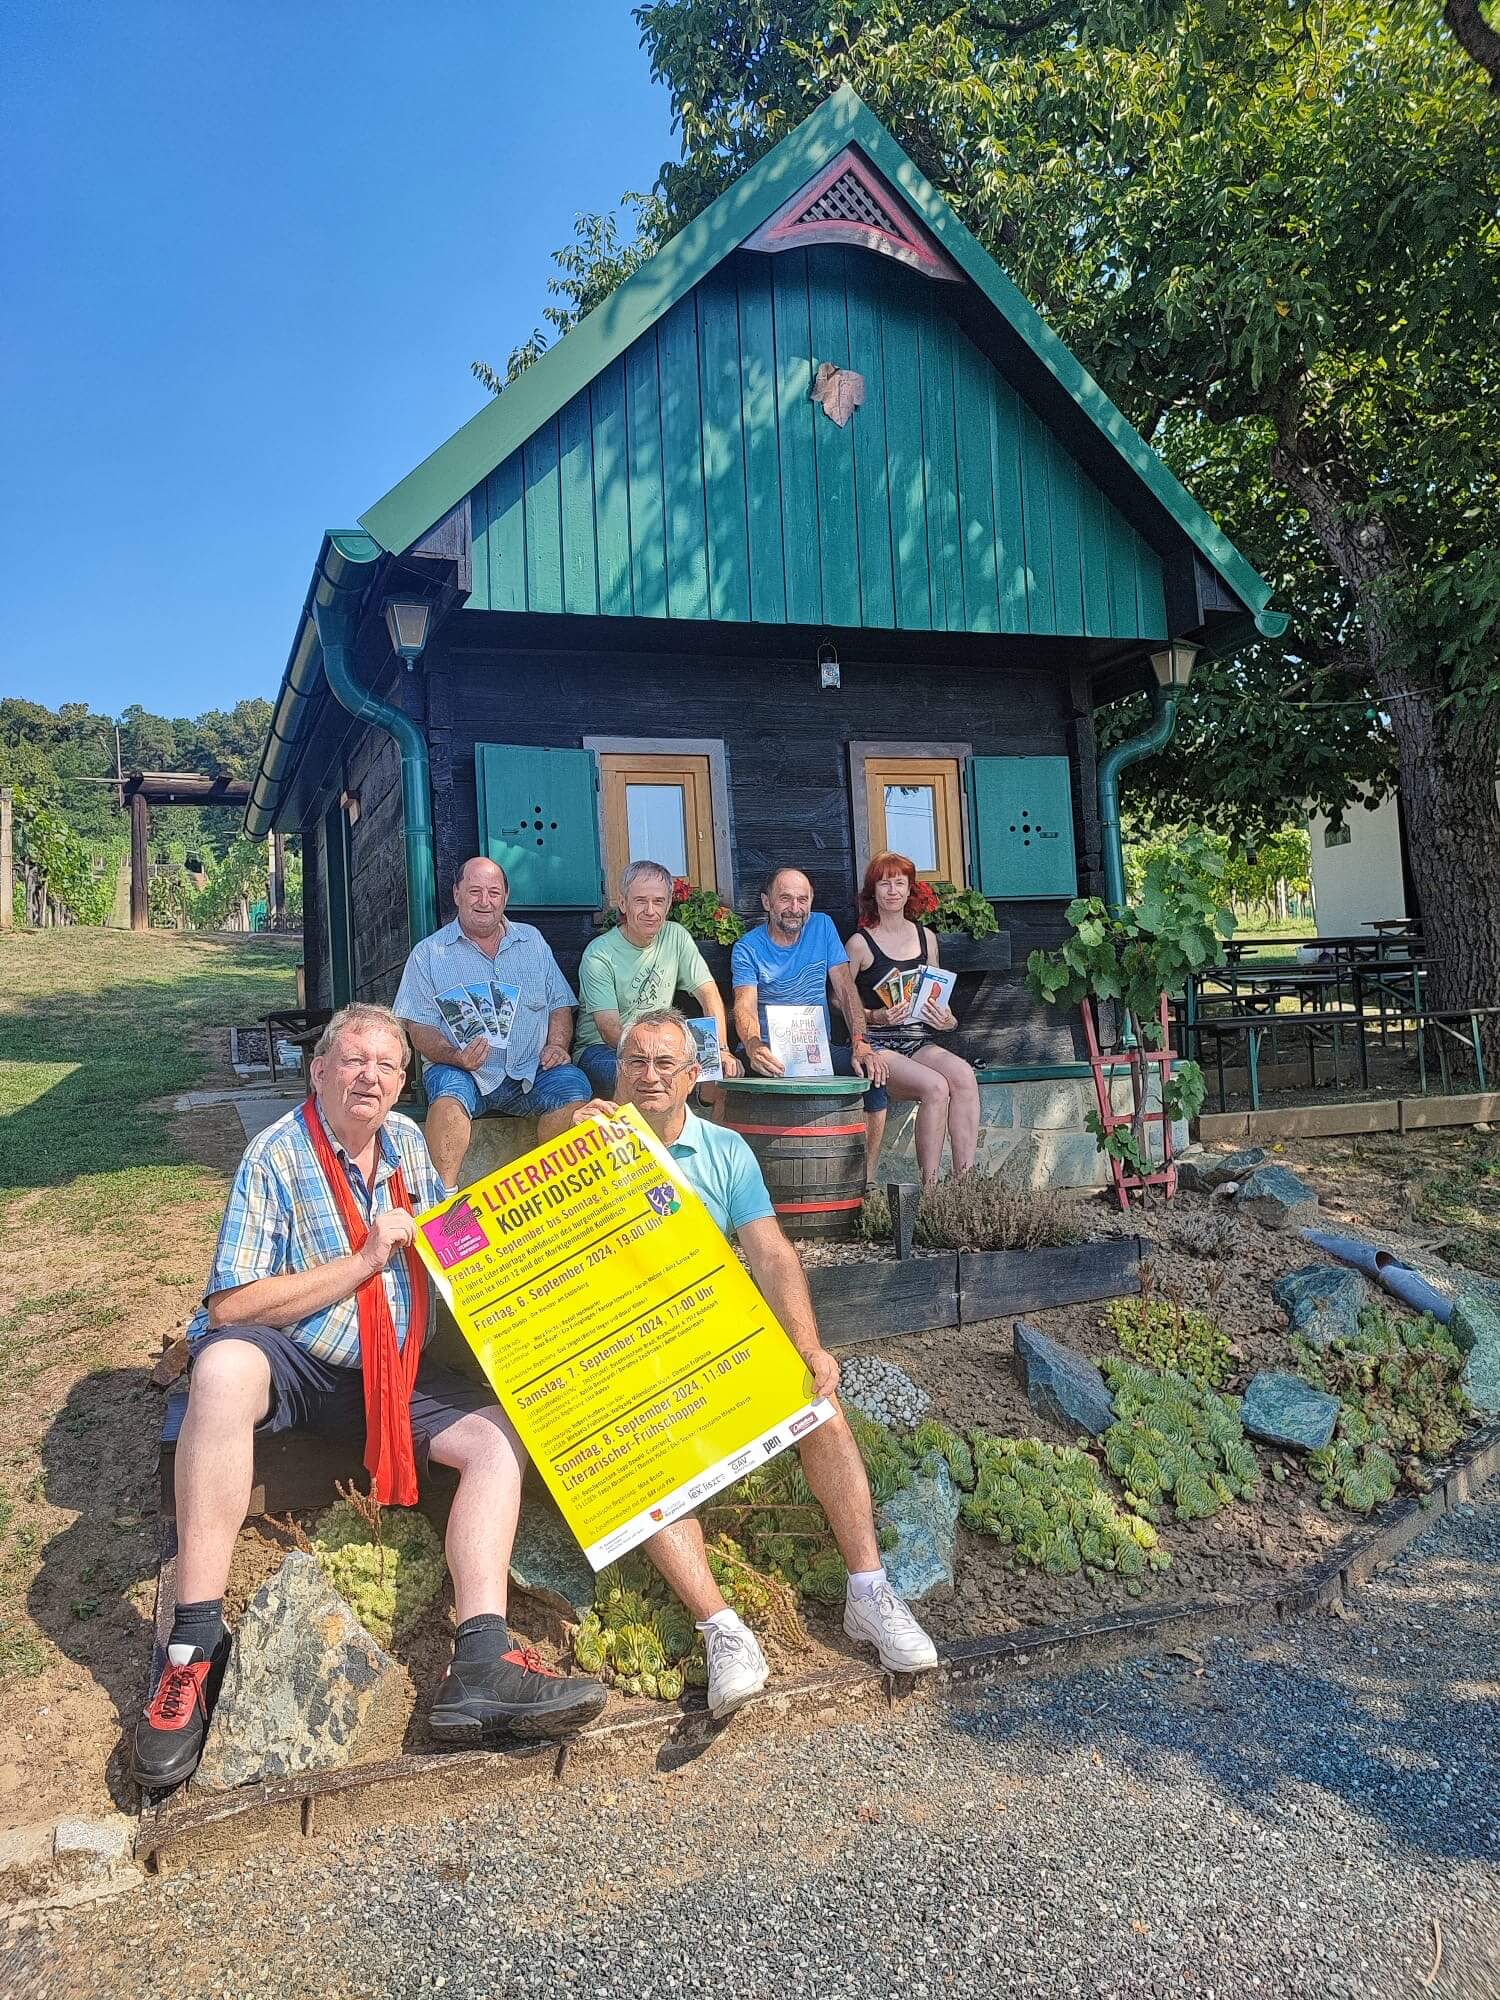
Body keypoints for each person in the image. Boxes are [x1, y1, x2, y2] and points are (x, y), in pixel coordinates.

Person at [131, 1004, 606, 1791]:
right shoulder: (276, 1154)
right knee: (220, 1371)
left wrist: (576, 1169)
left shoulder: (410, 1143)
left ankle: (480, 1656)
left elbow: (455, 1241)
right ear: (319, 1071)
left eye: (388, 1066)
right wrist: (361, 1263)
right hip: (298, 1362)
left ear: (401, 1081)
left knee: (496, 1441)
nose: (371, 1078)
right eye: (354, 1061)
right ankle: (192, 1650)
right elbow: (232, 1306)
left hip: (395, 1369)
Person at [572, 1008, 938, 1720]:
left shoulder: (725, 1150)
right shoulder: (589, 1144)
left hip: (714, 1337)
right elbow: (538, 1159)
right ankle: (722, 1631)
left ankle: (869, 1593)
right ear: (618, 1073)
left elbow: (770, 1251)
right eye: (636, 1062)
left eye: (665, 1064)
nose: (649, 1076)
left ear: (693, 1077)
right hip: (630, 1354)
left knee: (819, 1403)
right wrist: (570, 1129)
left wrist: (808, 1346)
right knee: (639, 1457)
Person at [394, 856, 592, 1188]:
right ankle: (444, 1197)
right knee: (448, 1094)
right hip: (462, 1071)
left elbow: (559, 1004)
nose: (484, 901)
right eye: (474, 891)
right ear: (457, 894)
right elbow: (420, 1029)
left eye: (493, 892)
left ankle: (549, 1188)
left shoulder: (532, 942)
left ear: (505, 897)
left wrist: (557, 1046)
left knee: (573, 1086)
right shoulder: (428, 953)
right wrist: (456, 1057)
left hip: (530, 1069)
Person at [730, 866, 890, 1183]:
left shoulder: (822, 927)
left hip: (816, 1051)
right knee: (729, 1081)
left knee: (873, 1076)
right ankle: (727, 1180)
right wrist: (753, 1046)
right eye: (785, 899)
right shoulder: (747, 947)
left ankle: (866, 1181)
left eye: (802, 900)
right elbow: (744, 1005)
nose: (795, 908)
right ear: (766, 902)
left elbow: (845, 988)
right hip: (767, 1051)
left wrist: (860, 1042)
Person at [845, 851, 981, 1186]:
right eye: (884, 883)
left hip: (918, 1040)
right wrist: (875, 1015)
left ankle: (966, 1185)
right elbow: (838, 999)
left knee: (964, 1076)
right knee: (935, 1086)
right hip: (877, 1044)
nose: (892, 890)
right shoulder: (860, 943)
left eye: (899, 883)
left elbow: (936, 994)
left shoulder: (926, 938)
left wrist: (946, 1019)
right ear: (873, 891)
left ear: (910, 890)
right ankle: (930, 1190)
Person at [573, 859, 742, 1095]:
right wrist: (661, 1058)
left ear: (668, 904)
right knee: (639, 1076)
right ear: (623, 903)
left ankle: (703, 1118)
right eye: (640, 901)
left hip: (662, 1047)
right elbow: (609, 1030)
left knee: (718, 1071)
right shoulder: (599, 954)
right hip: (603, 1050)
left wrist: (720, 1050)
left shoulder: (675, 936)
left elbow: (708, 993)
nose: (650, 911)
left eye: (658, 901)